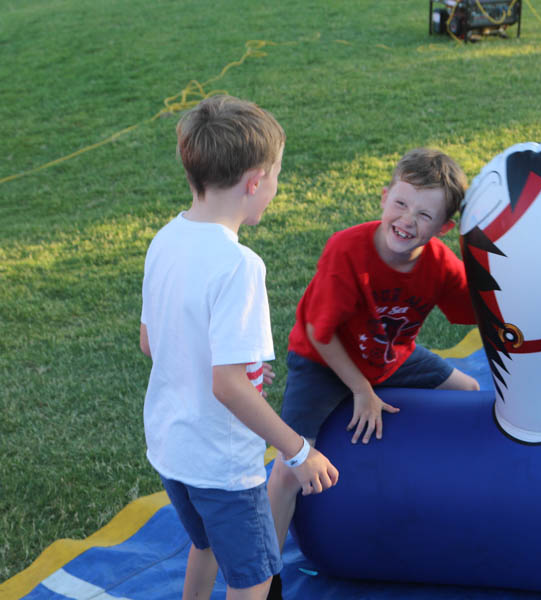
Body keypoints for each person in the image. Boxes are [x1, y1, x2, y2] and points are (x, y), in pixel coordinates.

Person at [139, 95, 338, 600]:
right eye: (275, 177)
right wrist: (298, 451)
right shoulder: (240, 265)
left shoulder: (165, 238)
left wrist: (238, 367)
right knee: (253, 577)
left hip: (171, 447)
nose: (273, 189)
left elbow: (151, 342)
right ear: (254, 182)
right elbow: (228, 388)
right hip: (222, 465)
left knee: (203, 544)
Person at [264, 148, 480, 596]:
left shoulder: (439, 263)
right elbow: (317, 332)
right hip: (323, 362)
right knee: (288, 467)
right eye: (400, 203)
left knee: (470, 389)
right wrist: (361, 390)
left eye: (424, 215)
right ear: (384, 197)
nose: (407, 220)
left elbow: (484, 311)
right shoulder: (347, 250)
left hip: (392, 356)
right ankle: (262, 578)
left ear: (444, 229)